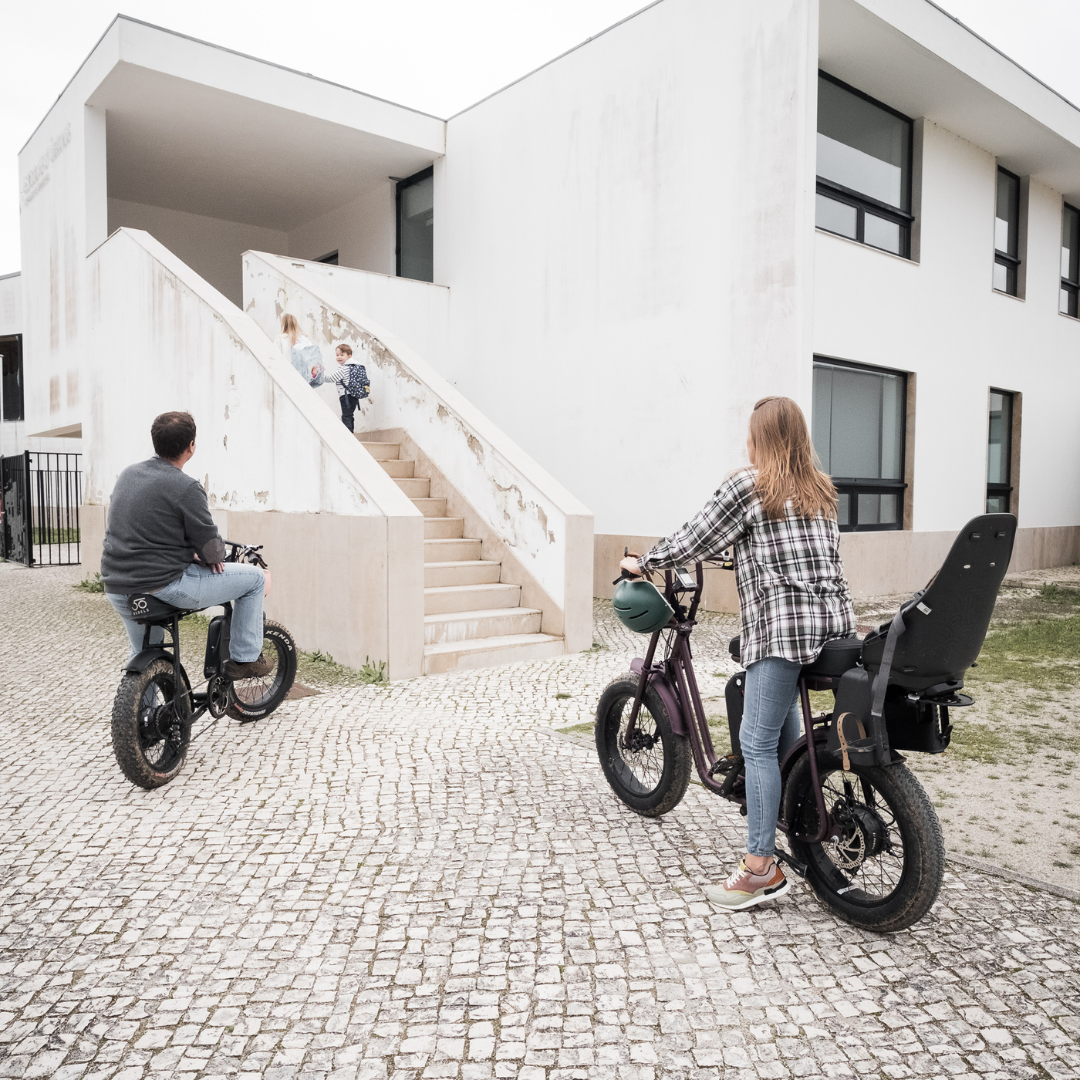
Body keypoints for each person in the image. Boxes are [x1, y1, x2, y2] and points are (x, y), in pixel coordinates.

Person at [619, 396, 855, 912]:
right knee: (781, 732)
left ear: (760, 439)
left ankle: (759, 869)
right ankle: (794, 820)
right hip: (833, 626)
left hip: (782, 630)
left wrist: (646, 561)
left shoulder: (748, 484)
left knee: (756, 740)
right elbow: (783, 545)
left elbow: (694, 537)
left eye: (749, 433)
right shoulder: (820, 489)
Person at [100, 411, 273, 679]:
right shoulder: (186, 487)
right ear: (191, 446)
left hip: (118, 586)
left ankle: (140, 716)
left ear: (155, 441)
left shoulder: (128, 475)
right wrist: (203, 553)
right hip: (163, 586)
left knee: (143, 650)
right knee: (256, 580)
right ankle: (245, 659)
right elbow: (213, 551)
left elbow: (145, 527)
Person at [319, 343, 371, 431]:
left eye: (342, 355)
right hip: (354, 395)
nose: (339, 357)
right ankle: (351, 433)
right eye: (337, 355)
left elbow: (331, 378)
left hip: (346, 396)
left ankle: (348, 435)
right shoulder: (356, 365)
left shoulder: (344, 368)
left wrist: (319, 376)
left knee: (346, 416)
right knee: (350, 415)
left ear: (349, 356)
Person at [277, 314, 323, 385]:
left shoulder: (280, 339)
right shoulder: (304, 339)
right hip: (303, 377)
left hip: (287, 376)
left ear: (283, 324)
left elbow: (276, 358)